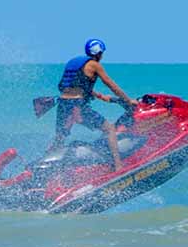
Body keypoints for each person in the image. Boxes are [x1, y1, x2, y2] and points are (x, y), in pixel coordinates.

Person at [50, 39, 137, 171]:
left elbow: (74, 85)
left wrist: (99, 96)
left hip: (62, 104)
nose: (102, 56)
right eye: (102, 53)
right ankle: (118, 165)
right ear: (98, 53)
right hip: (76, 106)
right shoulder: (94, 65)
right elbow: (111, 84)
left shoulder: (73, 62)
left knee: (59, 139)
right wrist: (128, 100)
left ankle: (47, 170)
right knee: (109, 129)